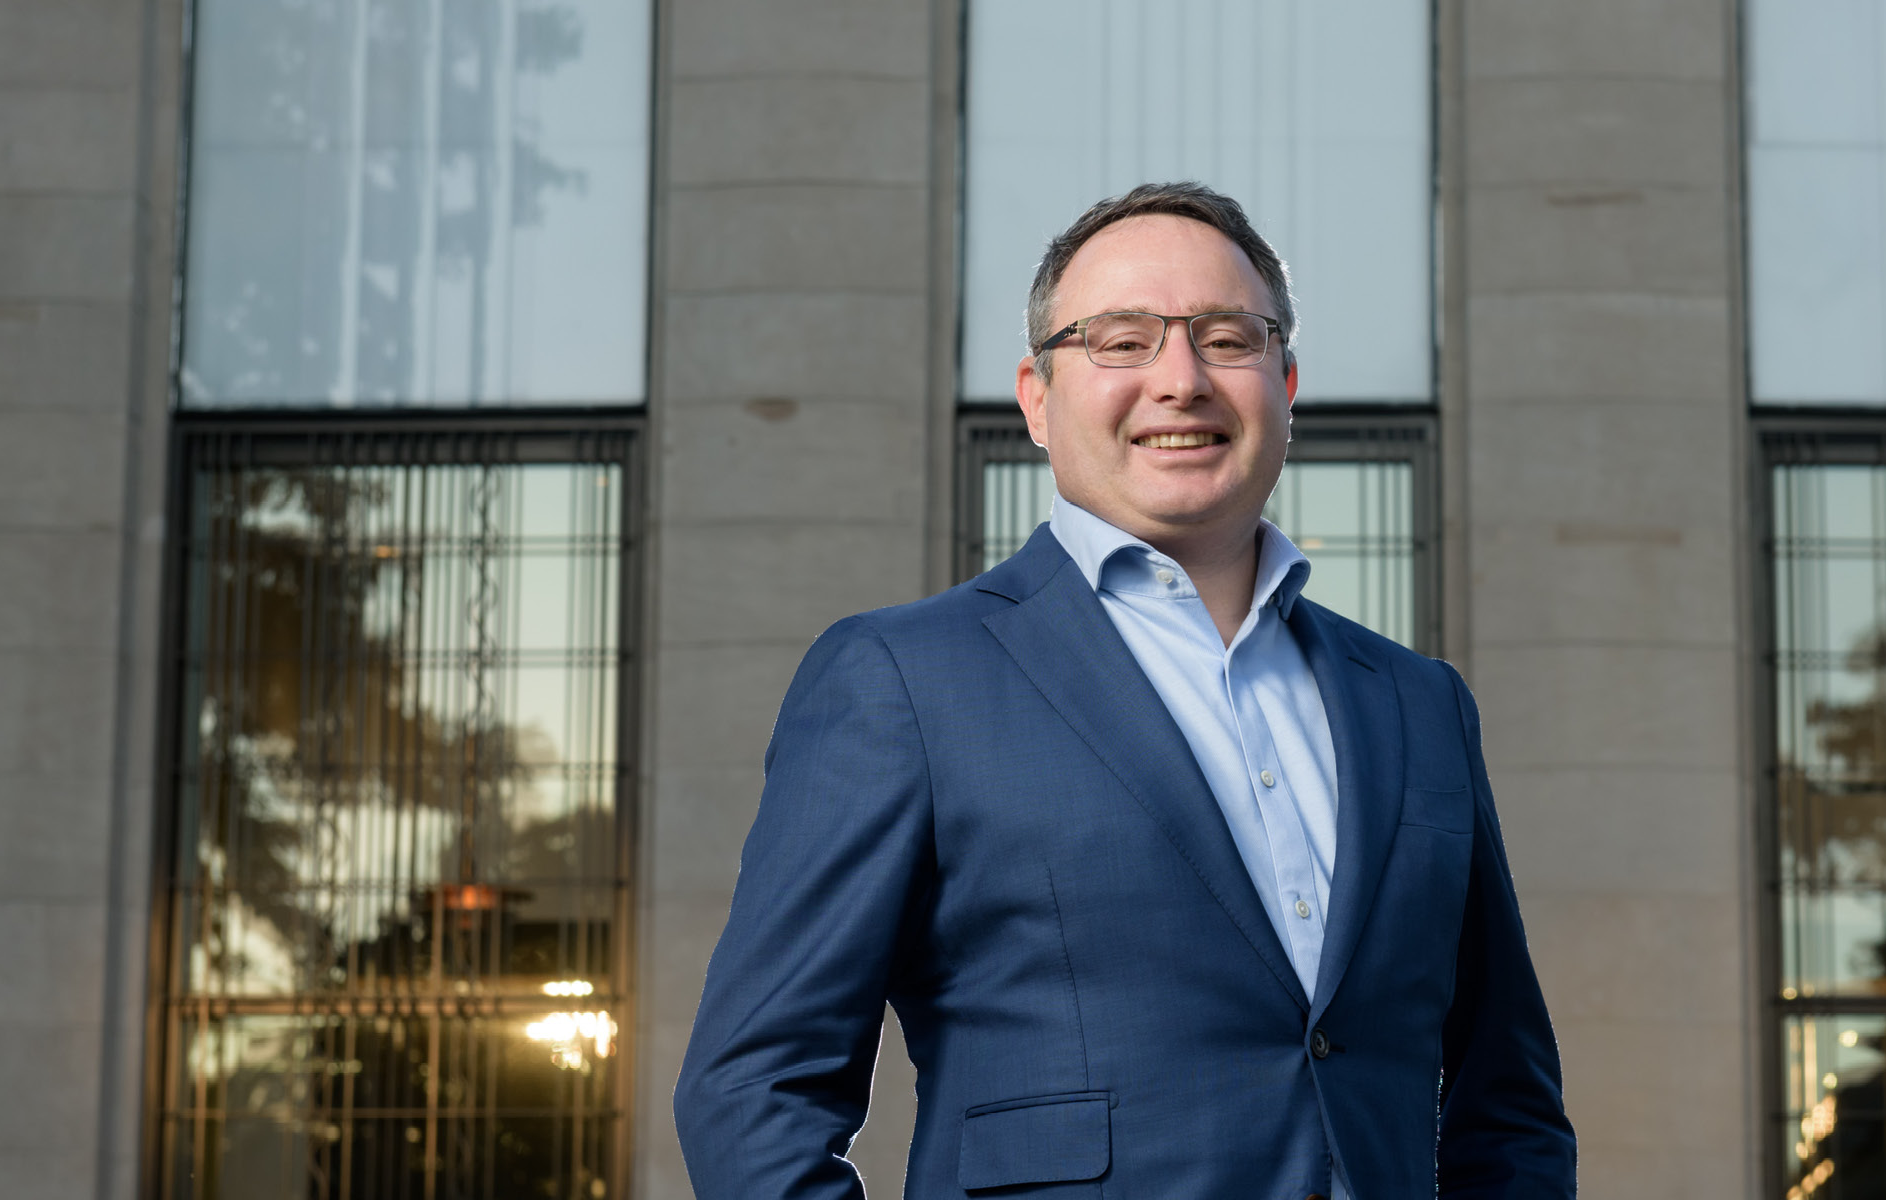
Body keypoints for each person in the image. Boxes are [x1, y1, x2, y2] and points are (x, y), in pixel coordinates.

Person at [674, 182, 1573, 1199]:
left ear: (1285, 383)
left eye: (1227, 337)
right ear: (1037, 400)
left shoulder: (1418, 706)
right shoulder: (904, 683)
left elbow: (1510, 1108)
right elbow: (753, 1094)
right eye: (1121, 340)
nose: (1180, 379)